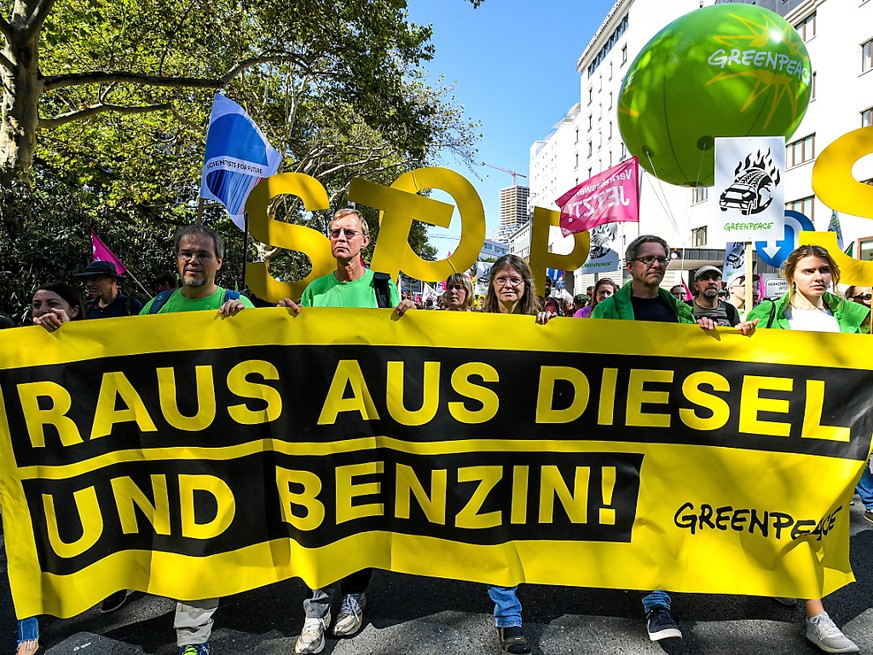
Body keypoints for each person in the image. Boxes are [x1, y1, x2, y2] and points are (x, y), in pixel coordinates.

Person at [592, 235, 755, 642]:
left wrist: (718, 333)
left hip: (672, 427)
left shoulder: (676, 309)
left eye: (662, 259)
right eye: (647, 258)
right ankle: (647, 590)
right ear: (629, 266)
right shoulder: (607, 310)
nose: (656, 264)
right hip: (623, 426)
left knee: (661, 508)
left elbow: (705, 355)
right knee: (632, 505)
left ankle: (656, 599)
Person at [277, 208, 413, 655]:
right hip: (321, 420)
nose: (339, 238)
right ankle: (315, 607)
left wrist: (409, 316)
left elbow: (400, 345)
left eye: (348, 232)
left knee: (361, 508)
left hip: (370, 420)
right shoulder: (315, 289)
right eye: (333, 231)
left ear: (364, 241)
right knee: (317, 507)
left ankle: (354, 592)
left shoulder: (380, 287)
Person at [747, 245, 866, 654]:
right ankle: (816, 615)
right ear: (791, 275)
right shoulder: (768, 315)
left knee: (822, 516)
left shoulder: (852, 318)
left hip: (837, 433)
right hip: (781, 432)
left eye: (824, 270)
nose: (818, 277)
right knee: (798, 516)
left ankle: (787, 574)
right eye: (809, 270)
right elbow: (735, 357)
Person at [141, 225, 253, 655]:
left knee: (200, 532)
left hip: (218, 444)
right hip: (164, 442)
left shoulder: (236, 305)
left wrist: (246, 326)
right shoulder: (154, 309)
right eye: (187, 253)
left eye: (203, 255)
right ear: (176, 260)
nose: (194, 260)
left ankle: (192, 636)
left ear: (219, 263)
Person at [478, 254, 548, 655]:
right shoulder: (472, 324)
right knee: (497, 523)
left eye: (516, 278)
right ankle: (508, 614)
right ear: (491, 286)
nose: (509, 284)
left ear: (526, 285)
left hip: (528, 441)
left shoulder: (544, 326)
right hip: (487, 441)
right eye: (501, 278)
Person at [74, 261, 143, 318]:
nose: (89, 284)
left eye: (96, 279)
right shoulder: (87, 308)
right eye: (87, 280)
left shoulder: (132, 306)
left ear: (113, 280)